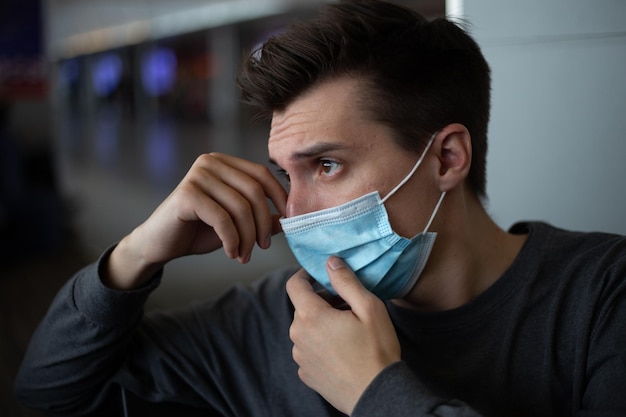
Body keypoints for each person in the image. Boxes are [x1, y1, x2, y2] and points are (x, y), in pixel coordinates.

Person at [14, 1, 626, 416]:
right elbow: (46, 395)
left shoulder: (600, 296)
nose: (293, 210)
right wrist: (137, 253)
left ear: (446, 158)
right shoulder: (282, 319)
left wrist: (375, 393)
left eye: (326, 165)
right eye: (286, 173)